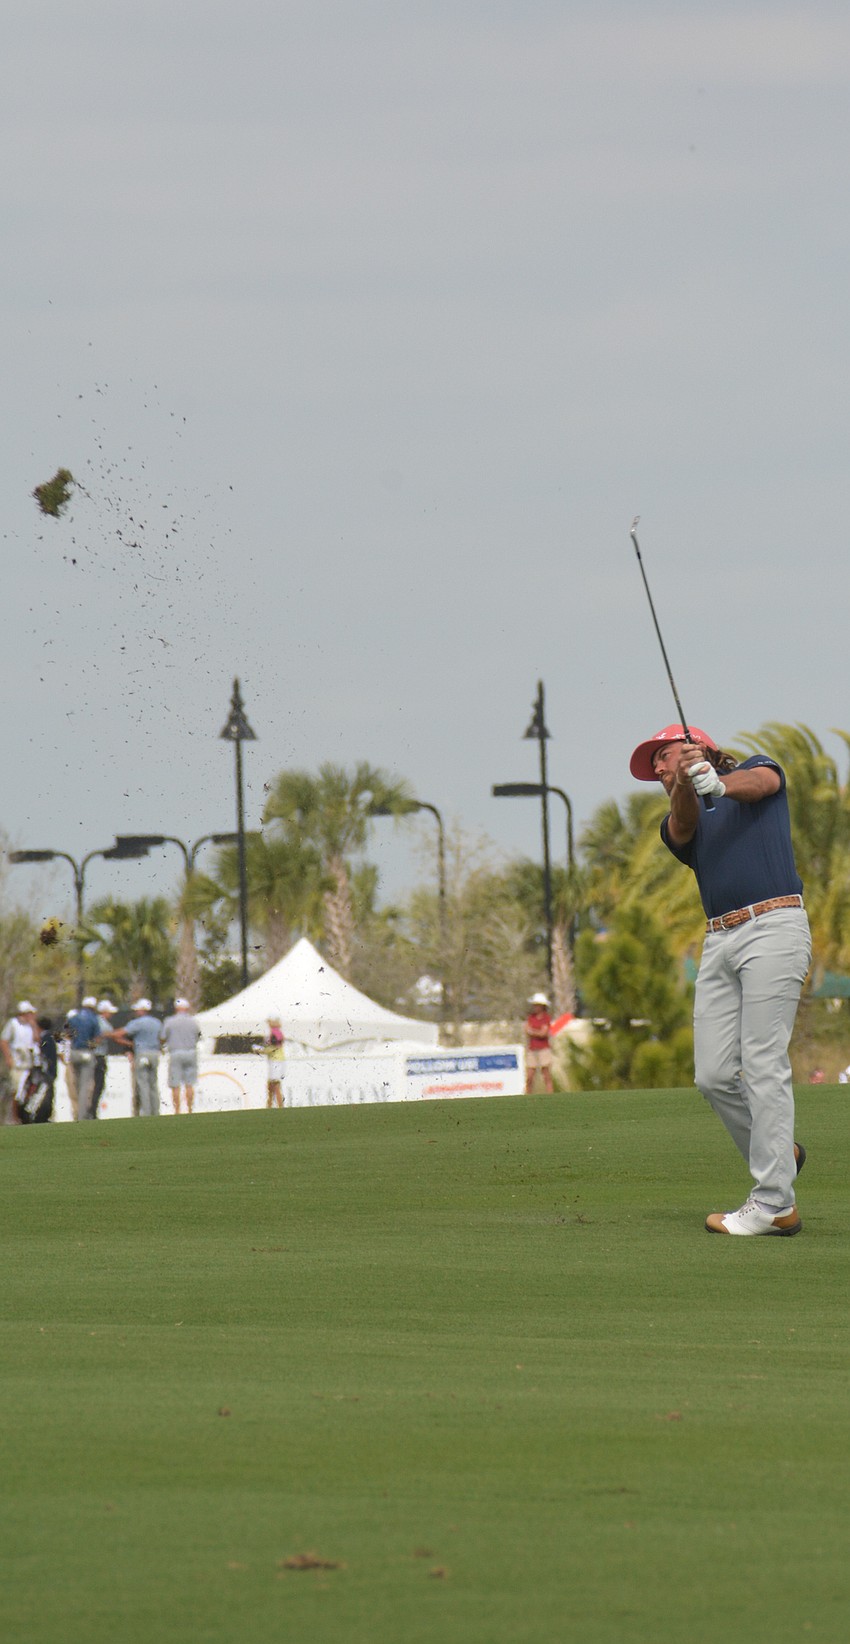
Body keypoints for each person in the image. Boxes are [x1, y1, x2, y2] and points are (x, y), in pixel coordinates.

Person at [630, 722, 811, 1237]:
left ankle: (775, 1204)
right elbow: (684, 825)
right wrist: (691, 782)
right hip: (719, 941)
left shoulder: (756, 769)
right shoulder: (676, 819)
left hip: (774, 924)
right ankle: (781, 1154)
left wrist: (718, 780)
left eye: (663, 757)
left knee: (761, 1062)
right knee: (711, 1075)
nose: (659, 769)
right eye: (657, 766)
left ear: (700, 748)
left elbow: (761, 785)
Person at [108, 999, 163, 1117]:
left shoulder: (137, 1023)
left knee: (143, 1084)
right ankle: (156, 1112)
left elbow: (117, 1034)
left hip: (142, 1053)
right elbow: (162, 1038)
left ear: (141, 1010)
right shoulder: (157, 1022)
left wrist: (129, 1043)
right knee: (153, 1084)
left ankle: (146, 1113)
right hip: (154, 1053)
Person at [160, 997, 201, 1115]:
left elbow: (163, 1037)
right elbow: (198, 1037)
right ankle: (189, 1110)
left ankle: (177, 1110)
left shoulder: (170, 1021)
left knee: (175, 1084)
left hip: (176, 1052)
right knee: (189, 1083)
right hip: (191, 1052)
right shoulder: (193, 1021)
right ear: (187, 1008)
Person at [64, 996, 102, 1121]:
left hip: (75, 1052)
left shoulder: (74, 1017)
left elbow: (68, 1034)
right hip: (87, 1052)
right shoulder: (94, 1019)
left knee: (77, 1084)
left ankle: (77, 1114)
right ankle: (83, 1115)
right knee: (86, 1085)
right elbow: (97, 1038)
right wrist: (91, 1047)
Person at [1, 1001, 37, 1124]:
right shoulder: (13, 1024)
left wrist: (33, 1026)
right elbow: (4, 1041)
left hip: (28, 1062)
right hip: (17, 1063)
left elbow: (37, 1039)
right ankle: (13, 1117)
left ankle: (23, 1116)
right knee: (16, 1090)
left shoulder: (30, 1026)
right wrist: (8, 1058)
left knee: (27, 1090)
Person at [18, 1016, 58, 1124]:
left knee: (41, 1094)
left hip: (45, 1073)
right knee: (45, 1094)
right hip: (49, 1073)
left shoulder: (45, 1038)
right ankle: (37, 1116)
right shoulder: (49, 1037)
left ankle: (33, 1116)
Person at [92, 1000, 118, 1117]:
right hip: (98, 1056)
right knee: (98, 1085)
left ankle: (92, 1110)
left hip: (95, 1056)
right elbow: (101, 1035)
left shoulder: (97, 1021)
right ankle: (92, 1111)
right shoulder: (101, 1022)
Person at [525, 992, 554, 1094]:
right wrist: (536, 1032)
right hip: (532, 1049)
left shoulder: (546, 1018)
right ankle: (527, 1096)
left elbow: (543, 1033)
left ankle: (551, 1096)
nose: (535, 1007)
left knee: (546, 1075)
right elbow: (527, 1030)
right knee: (529, 1077)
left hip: (543, 1049)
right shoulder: (531, 1017)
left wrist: (533, 1032)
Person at [262, 1017, 285, 1108]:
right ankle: (270, 1105)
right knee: (271, 1084)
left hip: (276, 1061)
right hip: (275, 1061)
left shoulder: (276, 1033)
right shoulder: (275, 1032)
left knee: (275, 1085)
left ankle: (279, 1105)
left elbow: (275, 1047)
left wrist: (263, 1050)